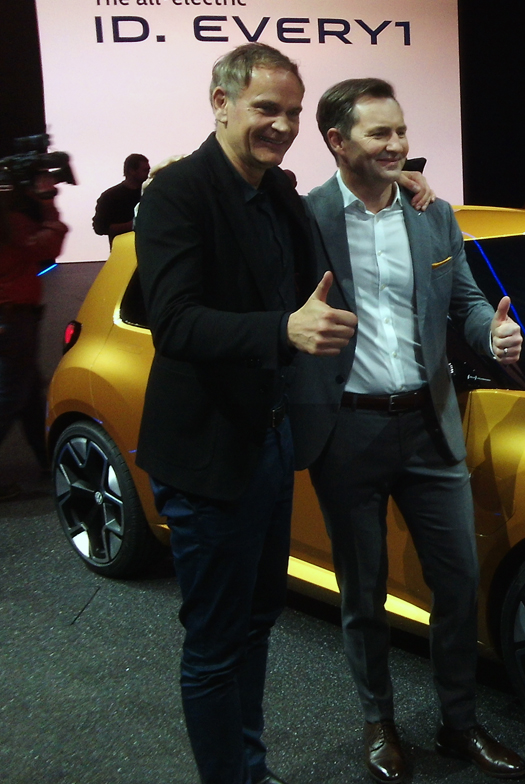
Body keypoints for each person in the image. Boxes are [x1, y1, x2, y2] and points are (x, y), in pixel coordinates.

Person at [290, 78, 525, 783]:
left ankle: (460, 724)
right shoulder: (304, 221)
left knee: (457, 584)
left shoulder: (432, 214)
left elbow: (466, 303)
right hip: (348, 433)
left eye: (400, 130)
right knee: (362, 594)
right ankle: (379, 724)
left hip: (430, 427)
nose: (397, 144)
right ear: (337, 142)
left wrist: (492, 333)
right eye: (379, 133)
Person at [133, 43, 360, 784]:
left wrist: (399, 182)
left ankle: (248, 770)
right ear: (221, 103)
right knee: (214, 644)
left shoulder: (279, 192)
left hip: (269, 442)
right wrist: (282, 330)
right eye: (268, 109)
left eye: (293, 112)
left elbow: (327, 241)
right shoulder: (176, 194)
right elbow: (175, 323)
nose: (283, 125)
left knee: (257, 623)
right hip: (208, 458)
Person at [0, 170, 68, 500]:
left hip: (13, 319)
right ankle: (51, 461)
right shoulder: (9, 222)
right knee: (10, 396)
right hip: (12, 319)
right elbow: (48, 245)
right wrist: (46, 202)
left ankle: (49, 461)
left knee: (26, 395)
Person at [91, 153, 149, 245]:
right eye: (145, 170)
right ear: (132, 171)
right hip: (125, 249)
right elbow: (99, 228)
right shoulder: (110, 196)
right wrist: (133, 225)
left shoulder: (150, 193)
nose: (148, 174)